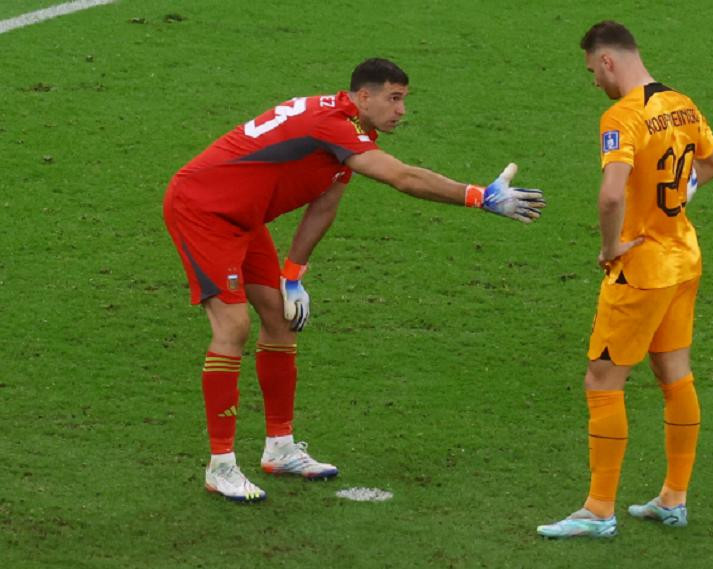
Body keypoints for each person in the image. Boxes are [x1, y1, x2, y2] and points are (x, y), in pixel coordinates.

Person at [163, 58, 546, 502]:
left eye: (404, 99)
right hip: (203, 210)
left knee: (281, 321)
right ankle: (221, 465)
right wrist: (478, 196)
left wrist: (293, 275)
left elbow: (325, 205)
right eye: (394, 98)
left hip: (243, 218)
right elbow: (402, 177)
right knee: (233, 327)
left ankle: (280, 448)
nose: (401, 110)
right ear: (364, 97)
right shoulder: (334, 126)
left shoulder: (351, 132)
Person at [536, 21, 713, 538]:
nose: (594, 81)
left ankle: (598, 510)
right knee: (674, 374)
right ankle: (674, 498)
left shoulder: (623, 115)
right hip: (684, 258)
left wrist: (610, 245)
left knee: (601, 381)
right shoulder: (682, 103)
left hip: (641, 270)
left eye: (592, 70)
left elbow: (611, 195)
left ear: (607, 61)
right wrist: (674, 202)